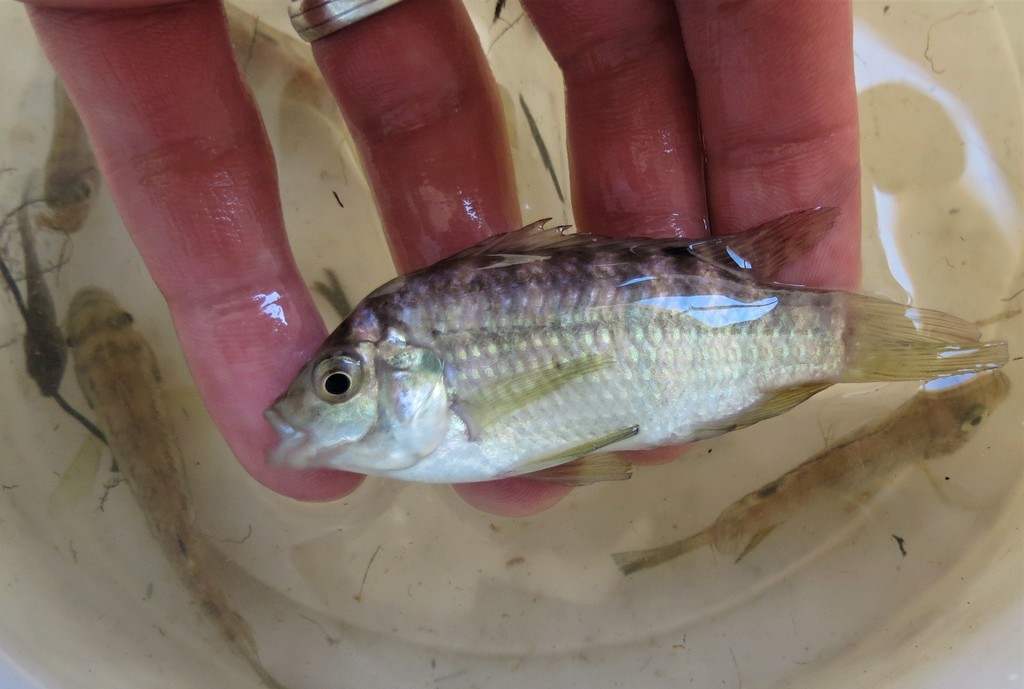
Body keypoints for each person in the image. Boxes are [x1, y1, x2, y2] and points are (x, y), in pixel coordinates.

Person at [22, 0, 861, 516]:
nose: (313, 402)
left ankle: (843, 340)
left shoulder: (423, 360)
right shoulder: (423, 376)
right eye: (334, 382)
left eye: (338, 381)